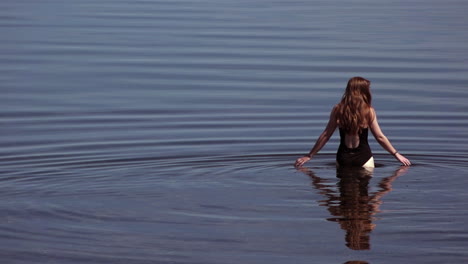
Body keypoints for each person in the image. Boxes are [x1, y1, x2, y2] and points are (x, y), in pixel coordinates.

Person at [295, 77, 411, 168]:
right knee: (365, 197)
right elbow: (380, 137)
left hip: (343, 158)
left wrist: (309, 155)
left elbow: (326, 135)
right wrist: (396, 154)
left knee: (344, 196)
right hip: (364, 158)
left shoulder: (338, 109)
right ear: (363, 91)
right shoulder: (369, 111)